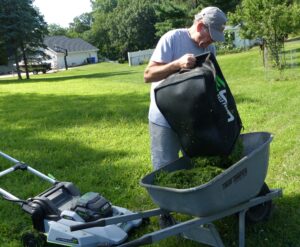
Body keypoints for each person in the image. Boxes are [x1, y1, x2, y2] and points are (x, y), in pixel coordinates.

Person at [144, 6, 227, 171]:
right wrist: (177, 64)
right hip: (164, 118)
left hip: (193, 119)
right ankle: (167, 197)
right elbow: (148, 75)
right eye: (211, 36)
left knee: (197, 164)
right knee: (165, 168)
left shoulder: (209, 48)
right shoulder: (172, 38)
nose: (212, 42)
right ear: (199, 26)